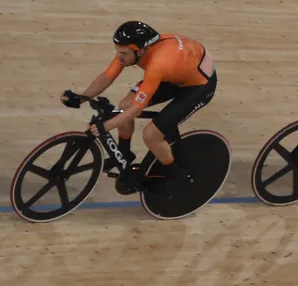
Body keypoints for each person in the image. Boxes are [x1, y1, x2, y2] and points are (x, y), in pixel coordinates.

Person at [60, 21, 217, 194]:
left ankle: (176, 173)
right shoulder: (134, 50)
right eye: (117, 51)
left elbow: (136, 110)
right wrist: (82, 98)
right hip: (176, 74)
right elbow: (107, 76)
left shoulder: (158, 63)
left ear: (141, 50)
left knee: (151, 135)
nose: (119, 57)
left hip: (199, 86)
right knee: (124, 105)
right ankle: (124, 153)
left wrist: (104, 127)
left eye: (123, 53)